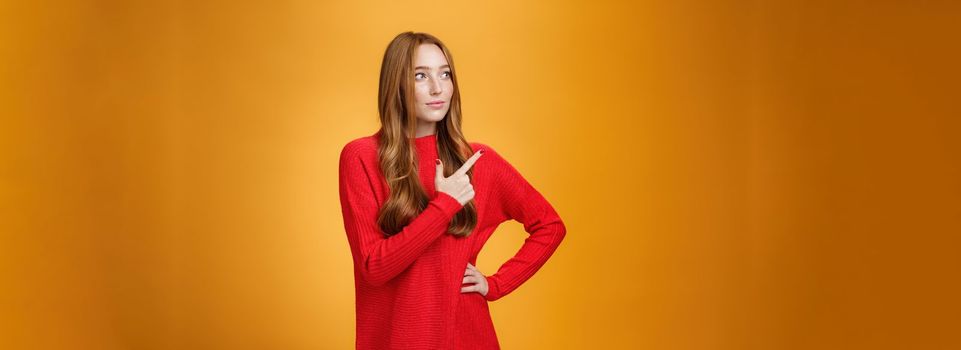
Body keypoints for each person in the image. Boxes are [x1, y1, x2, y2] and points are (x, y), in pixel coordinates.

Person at [338, 31, 567, 350]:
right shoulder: (361, 157)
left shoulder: (479, 162)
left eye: (445, 74)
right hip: (397, 340)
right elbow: (374, 269)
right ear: (396, 85)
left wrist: (496, 284)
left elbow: (550, 226)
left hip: (468, 337)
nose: (437, 88)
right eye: (421, 76)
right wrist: (444, 206)